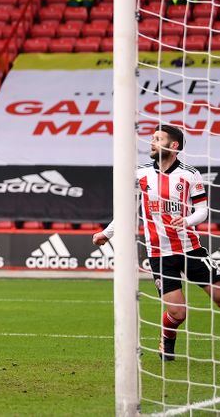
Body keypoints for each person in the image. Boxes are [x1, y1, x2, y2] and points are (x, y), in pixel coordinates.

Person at [92, 124, 219, 362]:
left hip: (191, 249)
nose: (151, 142)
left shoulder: (190, 174)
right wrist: (107, 234)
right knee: (177, 312)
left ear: (174, 146)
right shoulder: (140, 174)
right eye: (151, 137)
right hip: (160, 254)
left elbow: (202, 210)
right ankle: (167, 341)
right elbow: (127, 209)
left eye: (157, 138)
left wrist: (188, 220)